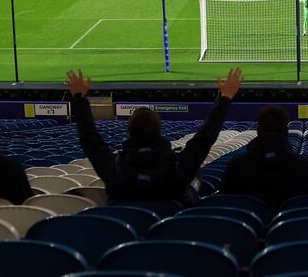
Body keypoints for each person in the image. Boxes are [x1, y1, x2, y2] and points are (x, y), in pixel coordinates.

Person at [67, 67, 242, 203]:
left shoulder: (115, 168)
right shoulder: (178, 167)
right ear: (158, 131)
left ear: (129, 132)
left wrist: (79, 98)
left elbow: (89, 138)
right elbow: (205, 137)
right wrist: (225, 98)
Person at [222, 106, 308, 210]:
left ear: (258, 131)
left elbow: (225, 203)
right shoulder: (307, 167)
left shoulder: (236, 166)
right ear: (286, 131)